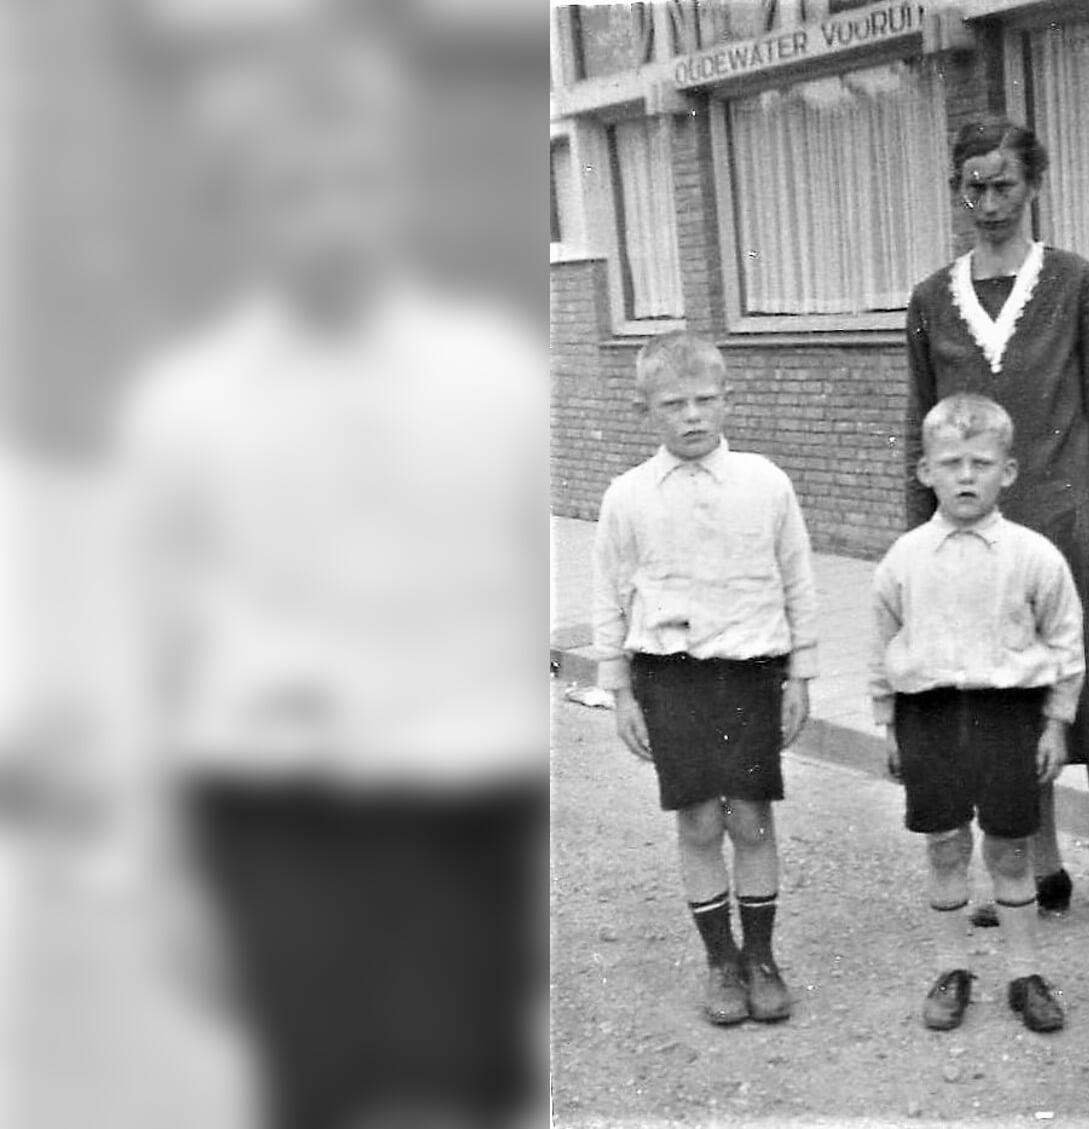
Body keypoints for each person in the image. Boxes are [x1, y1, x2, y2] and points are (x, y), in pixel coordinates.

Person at [114, 26, 549, 1129]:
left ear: (394, 187)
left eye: (354, 180)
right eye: (292, 188)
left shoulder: (491, 382)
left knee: (459, 1087)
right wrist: (166, 872)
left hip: (459, 798)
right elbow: (155, 643)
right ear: (249, 209)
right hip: (276, 809)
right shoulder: (187, 407)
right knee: (313, 1089)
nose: (328, 215)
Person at [904, 118, 1089, 932]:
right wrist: (920, 546)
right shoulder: (930, 300)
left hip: (1070, 522)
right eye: (972, 186)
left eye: (1003, 184)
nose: (988, 202)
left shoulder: (1077, 283)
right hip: (979, 534)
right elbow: (921, 423)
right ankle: (1044, 862)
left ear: (1033, 185)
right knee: (1015, 696)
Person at [591, 331, 819, 1028]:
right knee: (697, 819)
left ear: (727, 401)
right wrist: (621, 690)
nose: (691, 416)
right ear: (645, 411)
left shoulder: (765, 482)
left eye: (703, 401)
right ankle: (720, 961)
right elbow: (608, 594)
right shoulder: (628, 497)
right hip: (672, 677)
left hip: (751, 671)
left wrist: (801, 673)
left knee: (750, 817)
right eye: (672, 404)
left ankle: (761, 957)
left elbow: (798, 580)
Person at [872, 394, 1084, 1034]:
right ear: (925, 471)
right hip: (929, 717)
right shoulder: (904, 558)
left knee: (1011, 850)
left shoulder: (1034, 555)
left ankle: (1024, 972)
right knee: (943, 845)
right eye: (951, 463)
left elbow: (1066, 641)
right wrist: (887, 723)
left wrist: (1056, 722)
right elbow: (880, 644)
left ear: (1009, 472)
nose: (966, 476)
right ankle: (952, 966)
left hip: (1007, 717)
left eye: (982, 463)